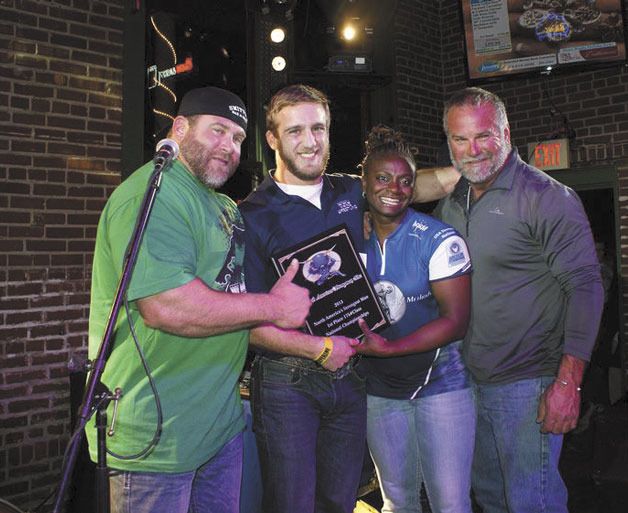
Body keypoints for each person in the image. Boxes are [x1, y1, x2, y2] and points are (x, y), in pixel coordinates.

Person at [86, 86, 311, 513]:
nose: (229, 147)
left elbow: (234, 292)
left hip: (218, 427)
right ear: (180, 127)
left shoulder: (223, 205)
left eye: (239, 138)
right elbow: (166, 306)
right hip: (158, 437)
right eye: (218, 131)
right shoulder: (152, 194)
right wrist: (275, 307)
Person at [426, 87, 604, 513]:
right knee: (489, 500)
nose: (472, 150)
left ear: (506, 132)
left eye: (483, 136)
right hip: (469, 385)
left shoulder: (546, 197)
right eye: (460, 139)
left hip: (528, 385)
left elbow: (585, 286)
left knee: (532, 503)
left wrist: (568, 383)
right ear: (448, 143)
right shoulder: (453, 203)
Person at [238, 84, 369, 513]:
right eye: (295, 131)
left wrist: (475, 161)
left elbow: (413, 185)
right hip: (286, 382)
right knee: (291, 505)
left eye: (319, 128)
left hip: (352, 375)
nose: (310, 142)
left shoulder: (353, 192)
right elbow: (248, 325)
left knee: (339, 502)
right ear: (272, 139)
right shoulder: (250, 215)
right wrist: (321, 348)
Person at [355, 125, 474, 513]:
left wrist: (390, 348)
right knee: (397, 502)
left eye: (406, 180)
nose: (395, 188)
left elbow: (455, 321)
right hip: (380, 391)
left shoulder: (439, 239)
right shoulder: (351, 240)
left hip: (441, 385)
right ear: (365, 181)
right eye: (384, 178)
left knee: (450, 505)